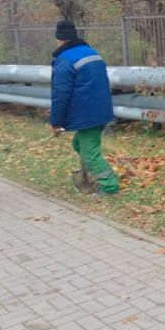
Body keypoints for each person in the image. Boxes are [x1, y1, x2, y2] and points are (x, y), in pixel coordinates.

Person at [49, 20, 119, 198]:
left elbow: (61, 94)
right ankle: (94, 174)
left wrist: (55, 121)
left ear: (60, 40)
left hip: (87, 114)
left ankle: (109, 187)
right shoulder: (92, 52)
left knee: (90, 154)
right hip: (101, 109)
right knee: (78, 144)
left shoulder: (65, 59)